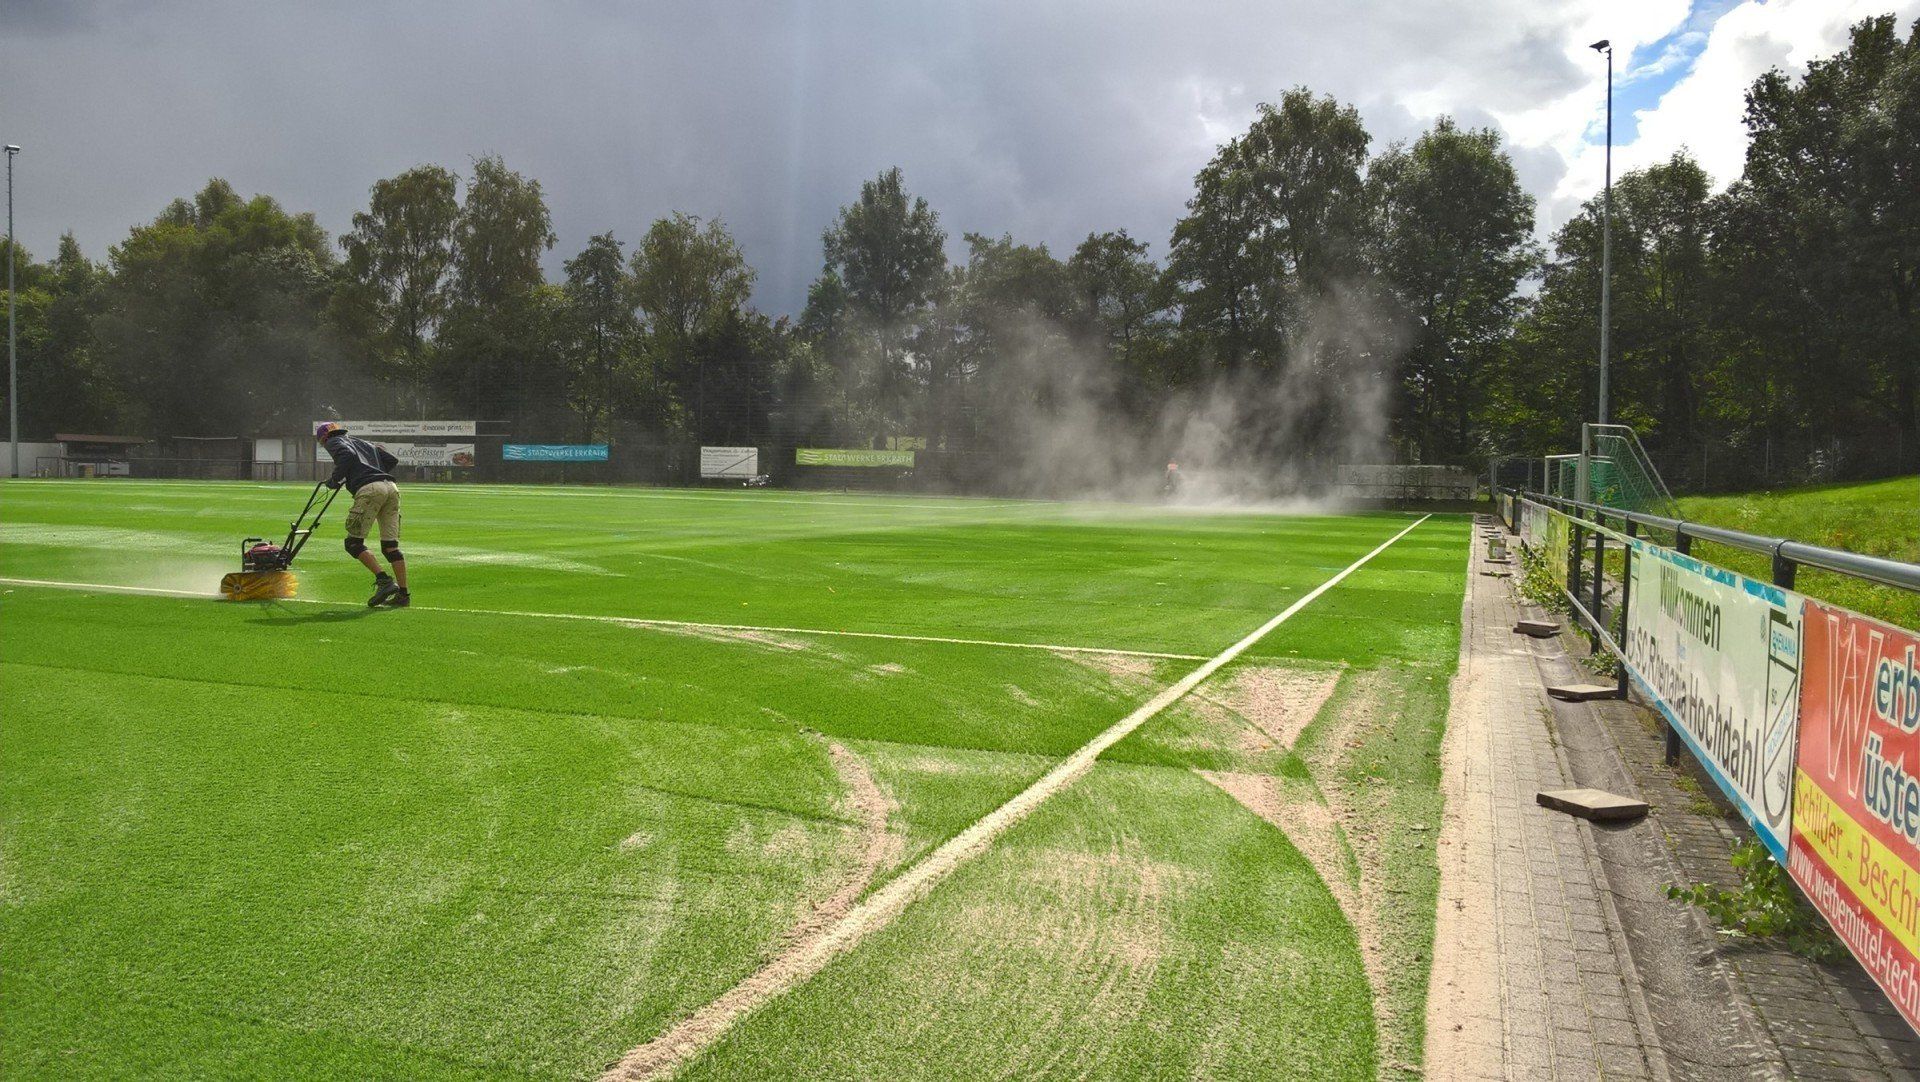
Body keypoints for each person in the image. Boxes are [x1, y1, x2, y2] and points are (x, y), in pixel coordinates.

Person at [316, 421, 409, 607]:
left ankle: (384, 581)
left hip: (370, 489)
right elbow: (391, 460)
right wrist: (372, 471)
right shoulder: (363, 443)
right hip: (391, 488)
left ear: (324, 438)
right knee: (390, 546)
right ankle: (403, 595)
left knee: (353, 543)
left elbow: (347, 456)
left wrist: (335, 479)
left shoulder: (334, 442)